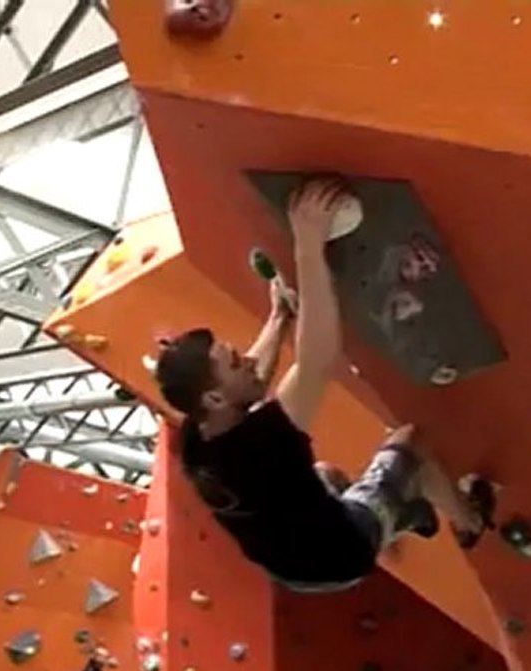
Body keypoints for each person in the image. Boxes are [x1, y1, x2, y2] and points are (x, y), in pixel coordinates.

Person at [154, 178, 488, 593]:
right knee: (411, 440)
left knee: (326, 474)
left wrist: (278, 317)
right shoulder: (261, 446)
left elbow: (253, 377)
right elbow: (318, 358)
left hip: (291, 562)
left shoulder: (198, 434)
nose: (248, 359)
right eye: (234, 362)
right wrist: (308, 245)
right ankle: (468, 521)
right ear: (215, 397)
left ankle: (406, 513)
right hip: (343, 550)